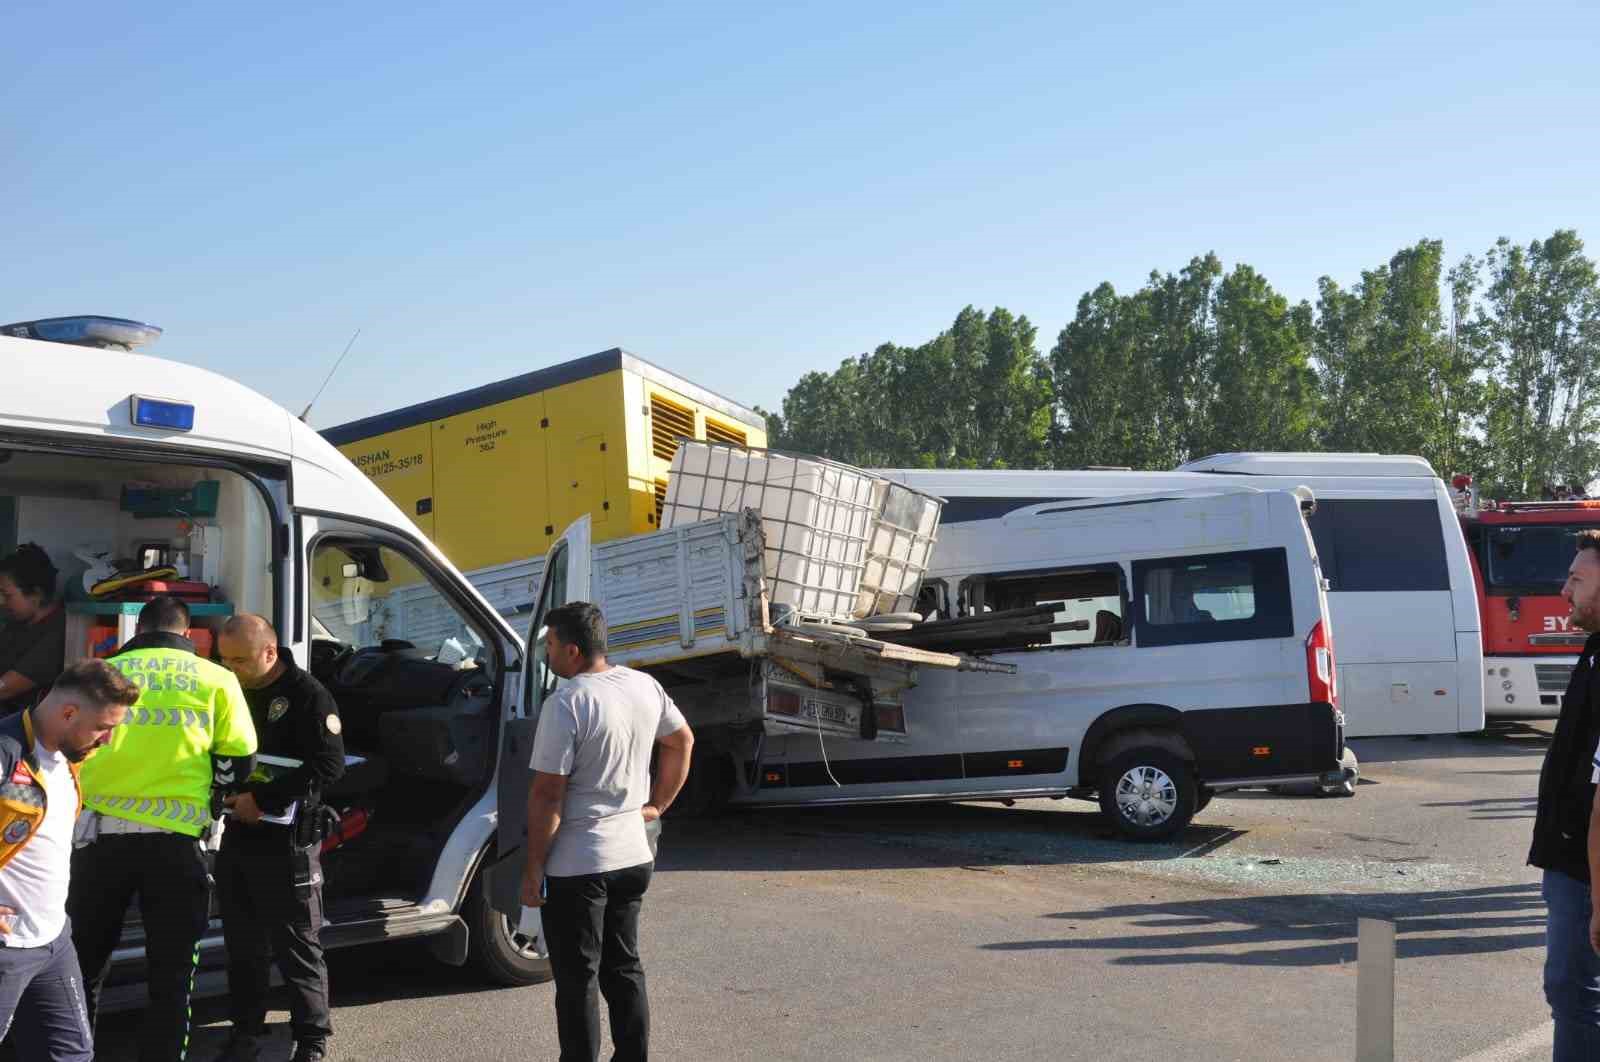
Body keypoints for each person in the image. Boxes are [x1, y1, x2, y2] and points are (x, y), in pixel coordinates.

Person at [69, 595, 258, 1062]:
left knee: (82, 968)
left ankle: (71, 1054)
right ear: (189, 633)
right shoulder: (218, 679)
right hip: (175, 847)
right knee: (172, 976)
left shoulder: (101, 672)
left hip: (96, 842)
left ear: (139, 630)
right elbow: (239, 761)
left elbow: (65, 748)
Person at [520, 601, 694, 1062]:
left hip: (581, 866)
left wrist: (533, 867)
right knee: (625, 967)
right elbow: (682, 742)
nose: (547, 653)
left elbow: (547, 797)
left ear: (573, 650)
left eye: (551, 644)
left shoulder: (566, 703)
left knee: (578, 979)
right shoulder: (643, 685)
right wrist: (656, 805)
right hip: (634, 857)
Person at [213, 614, 344, 1062]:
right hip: (239, 835)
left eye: (240, 660)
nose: (231, 669)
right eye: (224, 659)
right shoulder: (230, 687)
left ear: (270, 653)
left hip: (287, 839)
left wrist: (263, 800)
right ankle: (245, 1033)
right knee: (242, 944)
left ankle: (311, 1041)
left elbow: (328, 767)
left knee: (297, 944)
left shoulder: (308, 696)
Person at [0, 661, 137, 1062]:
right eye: (102, 727)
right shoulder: (7, 753)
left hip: (53, 944)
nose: (108, 740)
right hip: (7, 947)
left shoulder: (67, 756)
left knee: (70, 1055)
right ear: (68, 713)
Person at [1531, 530, 1600, 1060]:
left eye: (1577, 578)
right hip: (1573, 863)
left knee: (1573, 992)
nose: (1563, 590)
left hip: (1586, 870)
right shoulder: (1594, 652)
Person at [0, 545, 66, 716]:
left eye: (8, 596)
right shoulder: (16, 624)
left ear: (36, 594)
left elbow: (6, 688)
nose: (2, 602)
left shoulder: (58, 632)